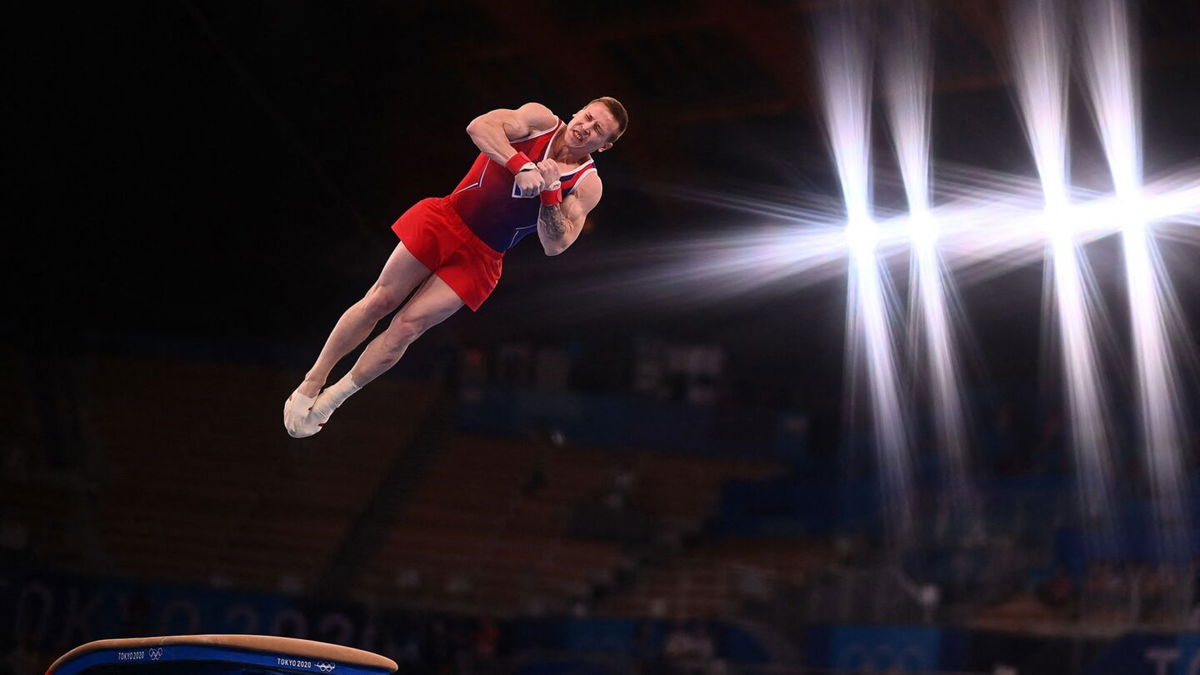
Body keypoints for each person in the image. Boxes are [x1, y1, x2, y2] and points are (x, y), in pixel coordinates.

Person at [284, 97, 629, 437]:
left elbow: (555, 245)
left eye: (597, 129)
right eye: (586, 116)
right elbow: (479, 126)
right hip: (446, 219)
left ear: (606, 146)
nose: (585, 128)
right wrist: (519, 165)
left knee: (407, 327)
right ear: (577, 110)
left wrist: (551, 193)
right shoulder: (540, 120)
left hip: (482, 256)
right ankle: (312, 381)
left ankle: (333, 400)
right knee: (380, 300)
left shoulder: (588, 184)